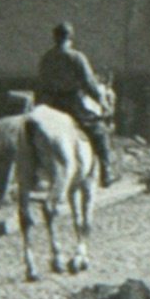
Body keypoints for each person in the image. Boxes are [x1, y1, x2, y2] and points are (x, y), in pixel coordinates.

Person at [37, 21, 116, 187]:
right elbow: (89, 83)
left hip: (49, 103)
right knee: (99, 131)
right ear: (70, 38)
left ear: (55, 38)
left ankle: (36, 173)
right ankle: (106, 172)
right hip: (71, 103)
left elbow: (41, 81)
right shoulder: (76, 57)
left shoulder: (46, 58)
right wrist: (101, 101)